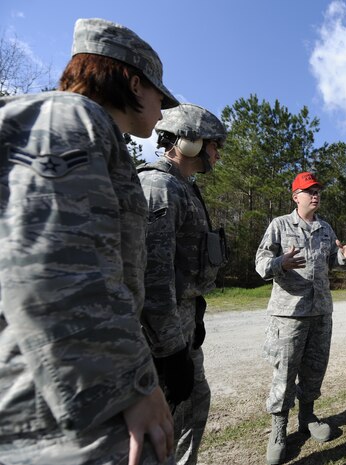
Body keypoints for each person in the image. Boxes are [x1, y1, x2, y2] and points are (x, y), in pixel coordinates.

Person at [0, 18, 178, 465]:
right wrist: (131, 384)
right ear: (134, 83)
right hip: (69, 413)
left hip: (63, 394)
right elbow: (53, 265)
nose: (163, 108)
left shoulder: (81, 129)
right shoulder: (71, 118)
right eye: (160, 93)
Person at [138, 103, 228, 465]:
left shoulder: (183, 187)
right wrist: (170, 351)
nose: (217, 154)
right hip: (162, 336)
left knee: (194, 403)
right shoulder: (159, 187)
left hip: (185, 322)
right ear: (189, 142)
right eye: (212, 144)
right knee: (159, 425)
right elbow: (153, 278)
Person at [255, 172, 346, 465]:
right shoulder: (280, 225)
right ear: (295, 196)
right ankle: (279, 429)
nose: (316, 195)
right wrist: (279, 263)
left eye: (318, 191)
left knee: (314, 369)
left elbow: (329, 263)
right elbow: (260, 262)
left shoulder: (325, 228)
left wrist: (343, 257)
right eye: (309, 191)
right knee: (285, 372)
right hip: (289, 313)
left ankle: (307, 417)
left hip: (321, 311)